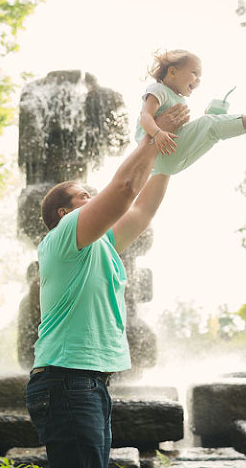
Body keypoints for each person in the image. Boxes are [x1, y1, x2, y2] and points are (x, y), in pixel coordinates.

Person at [25, 102, 189, 468]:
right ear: (64, 214)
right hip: (67, 381)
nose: (94, 197)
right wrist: (153, 136)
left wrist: (167, 158)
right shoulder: (65, 235)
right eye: (85, 195)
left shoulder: (102, 245)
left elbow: (142, 210)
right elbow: (125, 187)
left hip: (88, 383)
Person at [137, 49, 246, 175]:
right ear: (172, 72)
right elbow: (145, 116)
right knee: (208, 124)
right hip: (158, 152)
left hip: (171, 159)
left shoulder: (180, 101)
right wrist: (157, 133)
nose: (198, 81)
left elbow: (182, 132)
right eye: (194, 73)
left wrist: (209, 117)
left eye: (200, 77)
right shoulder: (158, 90)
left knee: (212, 133)